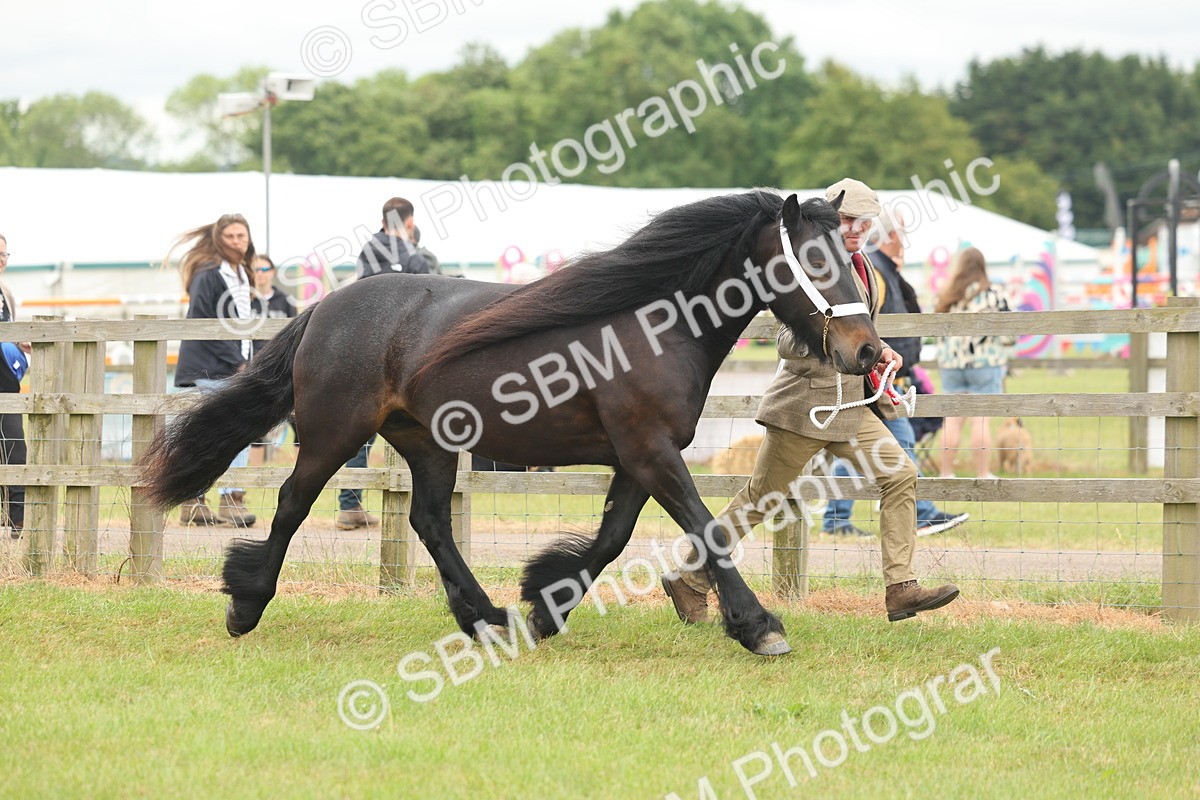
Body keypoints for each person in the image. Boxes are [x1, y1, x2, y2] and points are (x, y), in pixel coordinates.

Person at [661, 179, 960, 625]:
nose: (857, 230)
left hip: (851, 410)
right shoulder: (806, 267)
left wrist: (878, 351)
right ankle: (690, 578)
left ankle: (901, 588)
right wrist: (831, 344)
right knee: (760, 499)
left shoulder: (863, 270)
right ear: (826, 221)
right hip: (804, 409)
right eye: (847, 221)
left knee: (899, 476)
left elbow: (861, 333)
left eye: (865, 223)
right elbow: (787, 339)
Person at [821, 211, 969, 538]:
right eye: (899, 233)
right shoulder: (876, 271)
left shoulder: (879, 269)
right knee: (897, 444)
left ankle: (836, 519)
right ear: (889, 236)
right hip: (877, 375)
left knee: (864, 446)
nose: (903, 239)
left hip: (880, 373)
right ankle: (920, 513)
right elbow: (869, 322)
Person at [340, 198, 438, 530]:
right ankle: (350, 505)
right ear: (408, 223)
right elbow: (427, 288)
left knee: (360, 432)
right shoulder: (401, 252)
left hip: (375, 353)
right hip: (393, 355)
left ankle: (349, 505)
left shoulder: (371, 250)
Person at [170, 213, 258, 527]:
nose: (238, 241)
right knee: (210, 434)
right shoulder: (208, 275)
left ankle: (228, 498)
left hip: (236, 365)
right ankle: (196, 499)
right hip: (212, 368)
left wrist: (251, 358)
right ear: (220, 240)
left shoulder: (244, 275)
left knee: (237, 433)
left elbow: (246, 325)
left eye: (242, 236)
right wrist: (239, 361)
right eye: (231, 236)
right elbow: (207, 326)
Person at [935, 247, 1014, 480]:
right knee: (980, 420)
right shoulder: (993, 295)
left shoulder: (946, 295)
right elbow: (1011, 335)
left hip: (951, 364)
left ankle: (946, 472)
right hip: (984, 363)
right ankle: (982, 472)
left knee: (952, 421)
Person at [249, 254, 297, 467]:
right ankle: (254, 477)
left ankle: (300, 471)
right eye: (256, 270)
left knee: (297, 422)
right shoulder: (244, 301)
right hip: (253, 369)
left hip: (282, 368)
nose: (260, 274)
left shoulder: (285, 301)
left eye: (264, 269)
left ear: (273, 272)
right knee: (253, 425)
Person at [0, 234, 29, 539]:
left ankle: (16, 520)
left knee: (15, 446)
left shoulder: (5, 292)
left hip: (6, 384)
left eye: (5, 254)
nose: (1, 259)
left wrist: (19, 343)